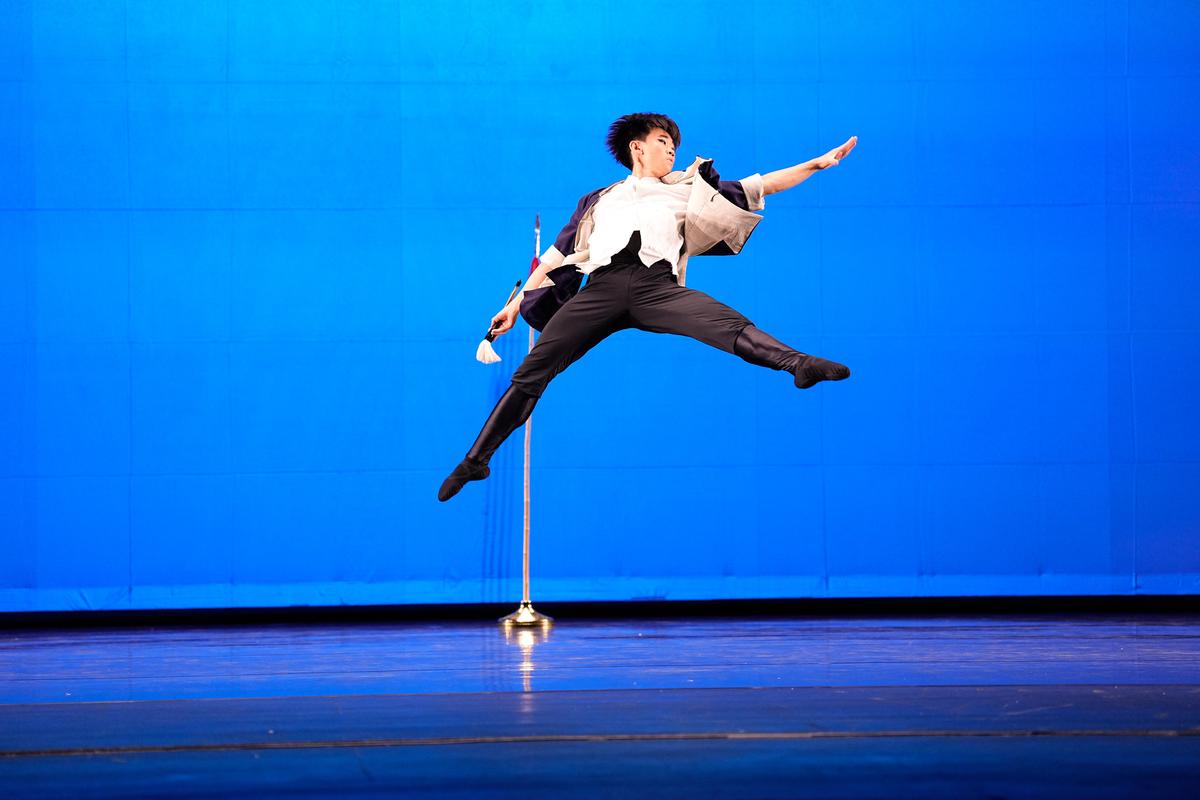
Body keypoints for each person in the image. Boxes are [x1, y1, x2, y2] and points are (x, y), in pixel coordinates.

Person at [439, 112, 857, 502]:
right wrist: (512, 306)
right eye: (663, 140)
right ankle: (475, 461)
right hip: (599, 291)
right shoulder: (597, 200)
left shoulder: (689, 189)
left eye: (675, 143)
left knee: (724, 322)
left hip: (656, 288)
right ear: (637, 148)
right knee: (533, 370)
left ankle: (799, 364)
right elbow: (553, 257)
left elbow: (760, 185)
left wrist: (817, 164)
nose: (673, 148)